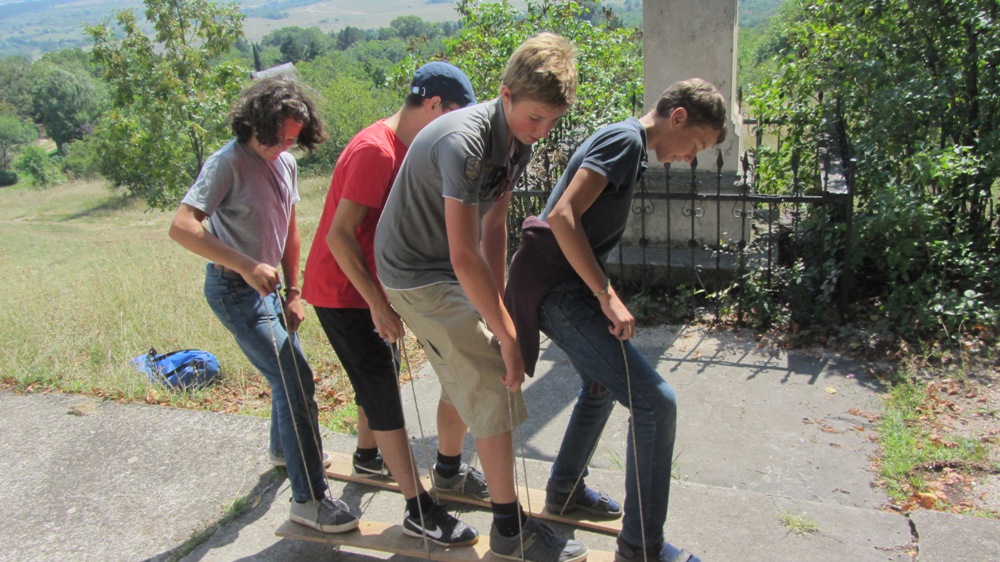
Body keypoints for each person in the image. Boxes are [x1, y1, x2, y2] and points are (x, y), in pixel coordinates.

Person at [374, 33, 587, 562]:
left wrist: (501, 309)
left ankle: (448, 473)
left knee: (471, 362)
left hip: (448, 266)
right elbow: (464, 253)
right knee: (493, 374)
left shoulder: (517, 139)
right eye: (535, 118)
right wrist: (508, 336)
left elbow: (494, 229)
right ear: (505, 94)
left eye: (552, 121)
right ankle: (511, 531)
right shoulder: (464, 142)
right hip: (415, 272)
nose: (541, 131)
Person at [505, 78, 728, 562]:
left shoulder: (630, 144)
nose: (689, 158)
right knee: (656, 403)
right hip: (554, 289)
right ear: (678, 117)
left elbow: (577, 225)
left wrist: (602, 290)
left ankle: (565, 489)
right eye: (695, 145)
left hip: (562, 284)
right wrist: (605, 294)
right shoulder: (625, 141)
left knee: (602, 384)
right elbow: (563, 216)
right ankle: (642, 547)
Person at [301, 61, 481, 546]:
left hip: (370, 285)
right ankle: (418, 509)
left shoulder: (407, 145)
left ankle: (366, 457)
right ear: (434, 105)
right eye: (455, 115)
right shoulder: (376, 152)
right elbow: (339, 236)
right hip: (342, 291)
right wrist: (378, 304)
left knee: (380, 372)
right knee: (381, 388)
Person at [168, 77, 358, 534]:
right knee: (295, 379)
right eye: (277, 138)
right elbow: (181, 226)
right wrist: (247, 265)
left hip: (269, 290)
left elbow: (289, 230)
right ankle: (309, 501)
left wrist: (294, 292)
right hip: (233, 291)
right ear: (253, 123)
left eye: (293, 139)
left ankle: (283, 451)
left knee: (286, 376)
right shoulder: (227, 163)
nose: (284, 146)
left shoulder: (285, 163)